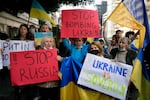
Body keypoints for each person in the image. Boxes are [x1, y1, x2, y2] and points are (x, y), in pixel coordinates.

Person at [12, 24, 34, 100]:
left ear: (27, 31)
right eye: (21, 29)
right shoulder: (14, 39)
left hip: (27, 65)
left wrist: (31, 44)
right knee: (17, 86)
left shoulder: (30, 40)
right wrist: (8, 41)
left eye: (24, 29)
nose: (23, 30)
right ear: (19, 30)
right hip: (17, 65)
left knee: (27, 85)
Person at [37, 36, 59, 100]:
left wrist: (60, 59)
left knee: (54, 97)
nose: (49, 43)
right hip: (43, 82)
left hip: (54, 82)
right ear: (43, 43)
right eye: (46, 41)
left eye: (50, 41)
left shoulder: (57, 52)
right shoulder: (38, 53)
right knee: (44, 97)